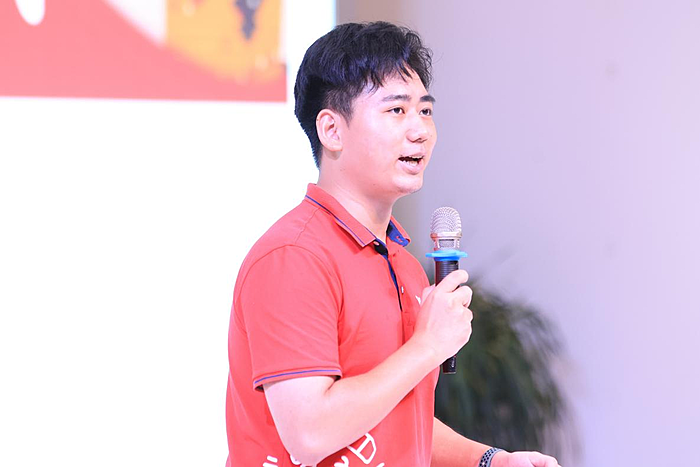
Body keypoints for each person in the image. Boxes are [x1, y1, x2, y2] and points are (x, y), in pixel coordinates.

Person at [226, 21, 561, 467]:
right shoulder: (294, 257)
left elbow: (398, 416)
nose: (420, 130)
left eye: (425, 110)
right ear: (332, 130)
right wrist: (426, 347)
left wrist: (490, 460)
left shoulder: (403, 264)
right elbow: (310, 432)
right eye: (397, 110)